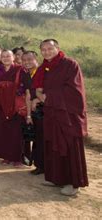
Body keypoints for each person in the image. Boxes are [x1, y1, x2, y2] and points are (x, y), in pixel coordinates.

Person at [33, 39, 88, 196]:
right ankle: (56, 178)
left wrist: (47, 97)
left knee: (69, 147)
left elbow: (74, 91)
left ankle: (73, 183)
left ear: (57, 48)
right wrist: (39, 95)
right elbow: (39, 87)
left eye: (50, 48)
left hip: (68, 115)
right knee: (53, 145)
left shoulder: (70, 65)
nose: (46, 52)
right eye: (43, 49)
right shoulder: (45, 67)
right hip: (52, 113)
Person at [0, 50, 24, 167]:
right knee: (3, 131)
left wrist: (3, 86)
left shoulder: (19, 69)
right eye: (3, 56)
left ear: (13, 57)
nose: (5, 58)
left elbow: (21, 86)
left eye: (8, 56)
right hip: (2, 105)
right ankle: (6, 156)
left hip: (14, 106)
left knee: (16, 133)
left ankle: (17, 158)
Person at [21, 50, 44, 173]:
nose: (27, 62)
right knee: (37, 139)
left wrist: (38, 99)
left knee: (44, 139)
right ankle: (39, 165)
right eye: (24, 60)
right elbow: (28, 95)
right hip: (35, 112)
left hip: (45, 110)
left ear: (36, 59)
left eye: (30, 59)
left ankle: (46, 166)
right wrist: (29, 115)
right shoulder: (26, 75)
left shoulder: (43, 72)